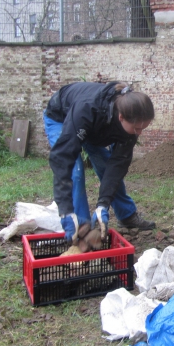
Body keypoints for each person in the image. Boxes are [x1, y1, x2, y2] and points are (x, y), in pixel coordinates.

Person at [43, 81, 156, 245]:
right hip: (61, 117)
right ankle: (81, 227)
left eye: (143, 128)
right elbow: (62, 159)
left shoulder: (131, 119)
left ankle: (126, 215)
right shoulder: (87, 109)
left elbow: (116, 167)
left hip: (97, 129)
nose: (138, 133)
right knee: (75, 169)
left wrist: (103, 204)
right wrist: (65, 210)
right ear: (121, 117)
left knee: (106, 166)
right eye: (136, 128)